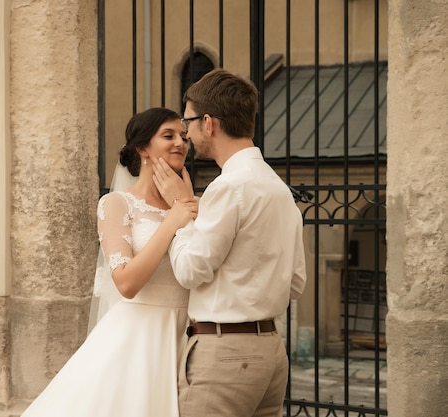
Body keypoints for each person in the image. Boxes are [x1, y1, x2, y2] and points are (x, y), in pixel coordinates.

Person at [20, 107, 199, 417]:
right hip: (138, 342)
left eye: (184, 136)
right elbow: (126, 283)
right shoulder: (117, 203)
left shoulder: (195, 204)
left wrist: (184, 207)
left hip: (189, 339)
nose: (180, 143)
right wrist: (174, 218)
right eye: (168, 136)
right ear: (143, 148)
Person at [153, 69, 307, 417]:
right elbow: (295, 283)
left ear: (209, 123)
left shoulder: (229, 187)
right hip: (271, 353)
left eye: (188, 121)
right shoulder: (279, 189)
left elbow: (191, 271)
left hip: (225, 357)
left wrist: (181, 213)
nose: (186, 133)